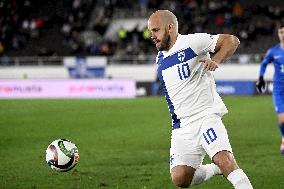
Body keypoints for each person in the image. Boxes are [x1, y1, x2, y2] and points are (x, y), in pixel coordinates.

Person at [148, 10, 253, 188]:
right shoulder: (160, 58)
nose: (152, 36)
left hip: (206, 116)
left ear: (170, 28)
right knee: (180, 178)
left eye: (156, 30)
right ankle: (214, 169)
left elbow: (232, 40)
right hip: (181, 126)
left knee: (224, 159)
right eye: (150, 32)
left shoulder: (192, 42)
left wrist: (217, 59)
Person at [256, 22, 284, 154]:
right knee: (282, 119)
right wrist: (261, 77)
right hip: (279, 89)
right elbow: (264, 64)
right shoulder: (273, 51)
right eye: (281, 32)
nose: (283, 35)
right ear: (278, 34)